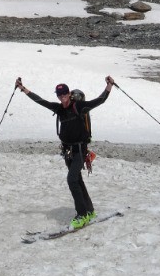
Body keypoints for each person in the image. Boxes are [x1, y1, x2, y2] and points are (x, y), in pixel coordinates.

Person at [15, 74, 115, 229]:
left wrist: (109, 86)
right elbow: (40, 100)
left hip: (80, 151)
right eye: (59, 95)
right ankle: (89, 211)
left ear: (69, 94)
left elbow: (99, 100)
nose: (62, 97)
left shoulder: (78, 107)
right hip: (67, 152)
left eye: (64, 94)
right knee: (77, 180)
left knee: (71, 180)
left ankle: (81, 215)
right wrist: (22, 89)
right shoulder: (59, 109)